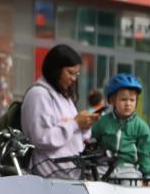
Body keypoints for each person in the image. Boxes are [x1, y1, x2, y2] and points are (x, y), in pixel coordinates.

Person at [23, 44, 98, 178]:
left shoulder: (63, 96)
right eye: (70, 73)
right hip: (49, 174)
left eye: (77, 74)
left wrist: (84, 125)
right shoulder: (39, 94)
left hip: (69, 172)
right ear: (55, 70)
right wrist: (75, 123)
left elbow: (77, 134)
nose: (74, 79)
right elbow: (41, 138)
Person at [91, 73, 150, 180]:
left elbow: (145, 152)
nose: (128, 104)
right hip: (104, 166)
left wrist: (147, 174)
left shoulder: (141, 126)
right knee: (93, 181)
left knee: (132, 188)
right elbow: (91, 139)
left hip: (128, 169)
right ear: (112, 100)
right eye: (123, 100)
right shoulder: (103, 122)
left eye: (132, 100)